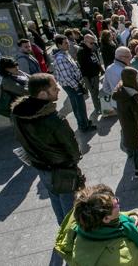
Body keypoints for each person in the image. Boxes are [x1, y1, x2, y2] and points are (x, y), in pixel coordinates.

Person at [11, 73, 83, 225]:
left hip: (41, 167)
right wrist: (73, 163)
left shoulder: (17, 114)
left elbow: (20, 138)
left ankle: (62, 229)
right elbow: (72, 148)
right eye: (54, 88)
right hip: (62, 169)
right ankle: (71, 236)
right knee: (69, 205)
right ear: (43, 94)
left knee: (55, 198)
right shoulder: (54, 119)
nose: (58, 89)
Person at [54, 184, 138, 266]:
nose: (117, 201)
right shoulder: (121, 258)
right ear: (106, 219)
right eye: (115, 205)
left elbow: (117, 217)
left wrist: (131, 215)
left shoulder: (85, 217)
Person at [113, 67, 138, 182]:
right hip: (135, 131)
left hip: (127, 128)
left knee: (136, 151)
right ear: (132, 79)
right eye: (136, 77)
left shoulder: (121, 91)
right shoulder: (132, 97)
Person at [54, 34, 96, 132]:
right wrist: (77, 86)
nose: (68, 45)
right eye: (65, 43)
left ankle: (84, 122)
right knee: (79, 106)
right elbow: (67, 77)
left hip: (74, 84)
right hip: (72, 86)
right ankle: (83, 126)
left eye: (67, 42)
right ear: (59, 45)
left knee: (79, 105)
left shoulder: (65, 54)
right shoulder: (60, 58)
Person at [77, 34, 104, 114]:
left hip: (95, 75)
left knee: (96, 92)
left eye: (93, 43)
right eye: (91, 43)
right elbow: (83, 67)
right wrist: (88, 80)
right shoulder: (81, 51)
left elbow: (95, 59)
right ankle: (98, 109)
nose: (93, 45)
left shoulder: (89, 48)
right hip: (89, 76)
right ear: (85, 42)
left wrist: (101, 69)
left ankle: (99, 106)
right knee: (94, 93)